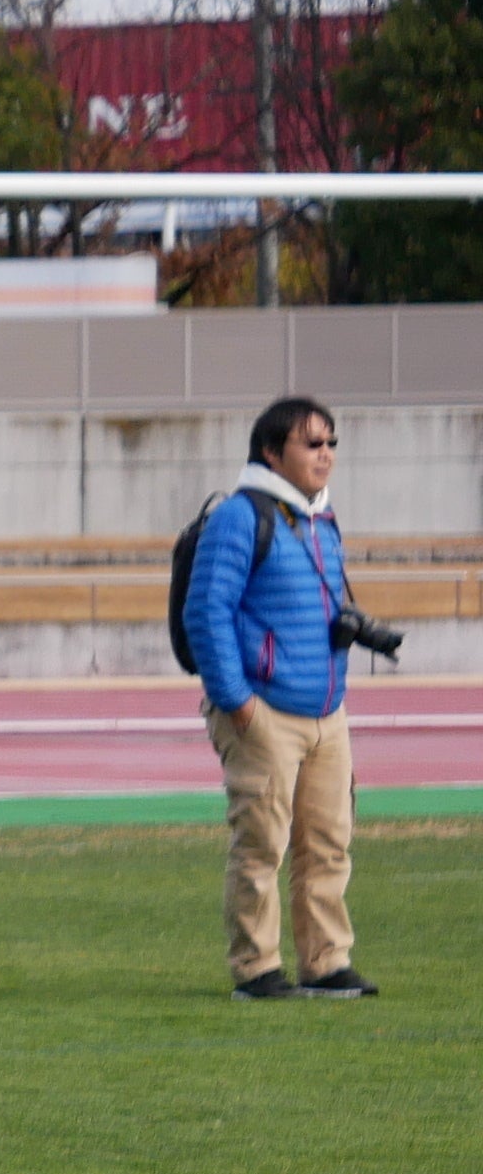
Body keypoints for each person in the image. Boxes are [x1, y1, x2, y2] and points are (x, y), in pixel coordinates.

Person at [184, 397, 376, 1000]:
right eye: (312, 443)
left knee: (328, 844)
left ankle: (326, 963)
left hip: (326, 713)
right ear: (272, 452)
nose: (326, 454)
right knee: (262, 846)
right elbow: (205, 612)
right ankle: (256, 968)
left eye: (331, 443)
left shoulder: (320, 517)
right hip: (263, 711)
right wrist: (238, 702)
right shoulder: (240, 518)